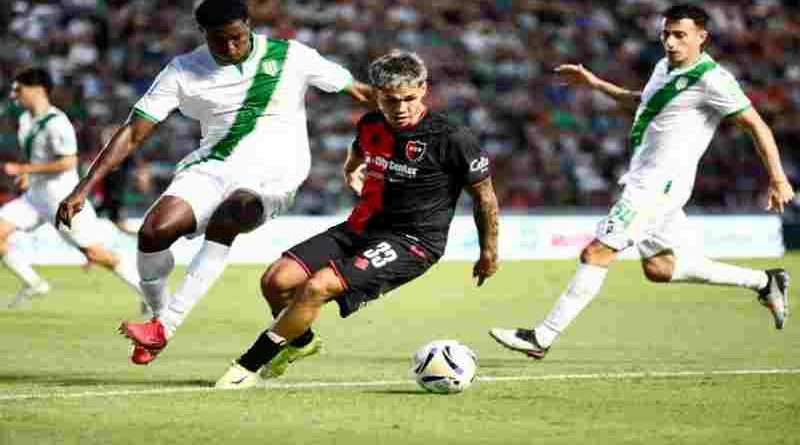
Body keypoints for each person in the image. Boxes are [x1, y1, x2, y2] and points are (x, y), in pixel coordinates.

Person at [56, 0, 373, 365]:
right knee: (153, 232)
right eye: (218, 41)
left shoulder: (291, 56)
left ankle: (166, 326)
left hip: (275, 175)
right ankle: (157, 320)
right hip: (212, 167)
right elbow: (133, 132)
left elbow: (359, 91)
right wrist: (83, 187)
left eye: (237, 38)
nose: (230, 48)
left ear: (249, 26)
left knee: (230, 214)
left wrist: (408, 116)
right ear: (203, 34)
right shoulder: (183, 71)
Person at [490, 4, 795, 360]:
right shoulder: (663, 67)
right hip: (646, 180)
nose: (670, 41)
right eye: (665, 33)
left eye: (679, 35)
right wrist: (595, 84)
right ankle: (764, 281)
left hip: (659, 186)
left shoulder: (713, 79)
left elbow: (756, 124)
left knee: (597, 251)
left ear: (702, 37)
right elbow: (643, 102)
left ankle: (541, 336)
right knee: (660, 268)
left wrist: (777, 178)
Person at [214, 50, 500, 389]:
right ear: (376, 94)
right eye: (391, 100)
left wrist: (489, 252)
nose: (401, 108)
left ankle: (247, 366)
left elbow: (485, 198)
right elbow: (360, 148)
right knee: (275, 282)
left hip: (412, 243)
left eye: (409, 98)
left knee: (316, 287)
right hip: (360, 226)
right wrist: (351, 169)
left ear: (424, 89)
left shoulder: (452, 138)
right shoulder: (371, 124)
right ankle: (302, 343)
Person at [2, 67, 141, 308]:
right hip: (35, 197)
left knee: (96, 254)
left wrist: (26, 170)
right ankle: (35, 284)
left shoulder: (58, 123)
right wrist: (29, 175)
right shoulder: (25, 120)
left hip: (61, 200)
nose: (15, 95)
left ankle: (148, 292)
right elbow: (38, 158)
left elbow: (68, 161)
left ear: (37, 90)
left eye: (19, 89)